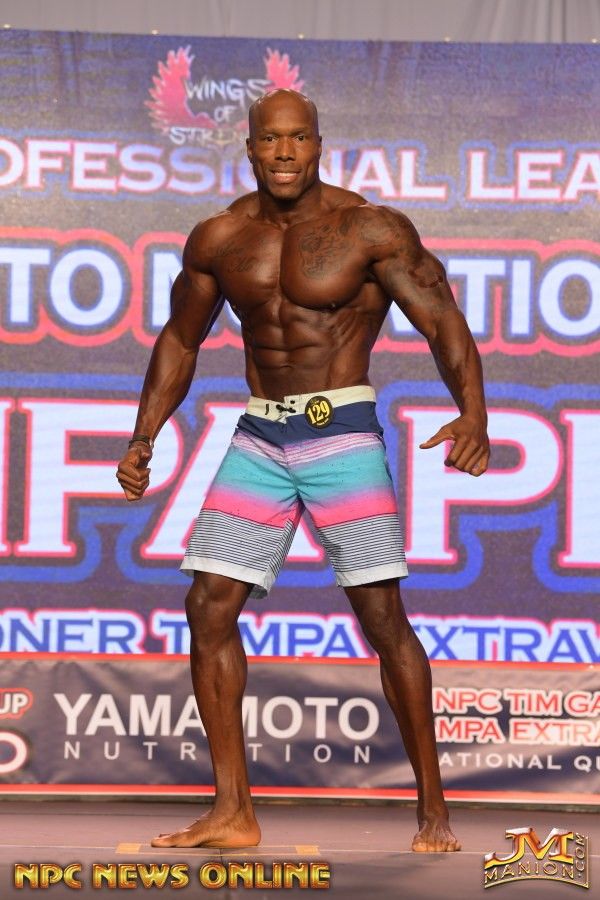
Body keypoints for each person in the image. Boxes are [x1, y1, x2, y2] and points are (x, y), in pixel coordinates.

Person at [116, 89, 489, 853]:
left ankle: (433, 810)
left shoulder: (369, 228)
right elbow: (181, 339)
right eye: (269, 140)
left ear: (319, 144)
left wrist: (472, 414)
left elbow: (440, 317)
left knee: (381, 618)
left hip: (340, 432)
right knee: (207, 606)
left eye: (298, 139)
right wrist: (143, 434)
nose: (284, 153)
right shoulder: (221, 237)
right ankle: (233, 811)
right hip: (261, 433)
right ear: (250, 147)